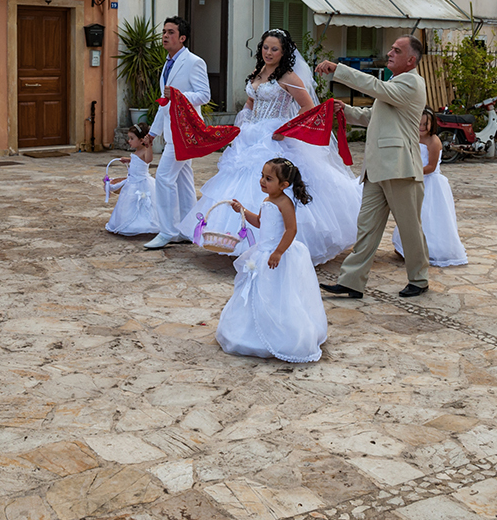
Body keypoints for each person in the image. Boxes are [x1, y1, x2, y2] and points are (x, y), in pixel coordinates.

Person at [177, 28, 362, 264]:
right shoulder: (257, 72)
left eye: (274, 49)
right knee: (239, 179)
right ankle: (236, 239)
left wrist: (286, 128)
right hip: (251, 133)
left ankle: (280, 242)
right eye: (265, 47)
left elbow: (307, 106)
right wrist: (244, 118)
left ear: (283, 52)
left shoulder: (288, 78)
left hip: (276, 136)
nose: (269, 52)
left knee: (275, 181)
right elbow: (251, 101)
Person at [316, 35, 430, 299]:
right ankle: (352, 281)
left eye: (396, 50)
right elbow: (373, 117)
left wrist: (339, 70)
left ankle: (419, 278)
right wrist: (345, 110)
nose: (389, 53)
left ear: (410, 60)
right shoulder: (395, 83)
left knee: (409, 226)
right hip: (378, 168)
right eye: (391, 48)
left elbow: (375, 88)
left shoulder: (412, 82)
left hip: (400, 167)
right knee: (366, 226)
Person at [217, 158, 327, 362]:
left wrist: (278, 252)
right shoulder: (267, 200)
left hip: (277, 255)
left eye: (268, 178)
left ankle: (283, 332)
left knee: (279, 293)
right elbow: (260, 222)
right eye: (262, 176)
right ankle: (253, 330)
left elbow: (291, 229)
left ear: (284, 185)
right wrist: (242, 210)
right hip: (262, 253)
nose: (262, 181)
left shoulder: (285, 203)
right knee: (257, 292)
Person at [144, 17, 211, 250]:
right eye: (164, 31)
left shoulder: (194, 62)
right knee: (184, 180)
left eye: (170, 32)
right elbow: (165, 102)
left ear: (182, 37)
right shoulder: (168, 63)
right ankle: (187, 228)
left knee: (163, 178)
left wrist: (179, 95)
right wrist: (153, 133)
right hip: (172, 131)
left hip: (185, 132)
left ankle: (167, 230)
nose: (164, 36)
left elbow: (204, 95)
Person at [393, 108, 467, 267]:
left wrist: (410, 171)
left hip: (430, 182)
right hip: (414, 180)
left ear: (431, 124)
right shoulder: (412, 138)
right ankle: (405, 247)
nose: (421, 127)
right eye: (419, 123)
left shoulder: (434, 141)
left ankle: (433, 249)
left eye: (425, 124)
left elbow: (431, 166)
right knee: (412, 215)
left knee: (429, 217)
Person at [105, 123, 159, 236]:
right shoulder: (137, 152)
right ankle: (126, 220)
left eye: (132, 138)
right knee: (129, 204)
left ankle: (142, 223)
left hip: (142, 183)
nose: (129, 141)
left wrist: (149, 145)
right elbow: (138, 161)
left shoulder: (145, 150)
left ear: (141, 140)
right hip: (132, 182)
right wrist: (129, 160)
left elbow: (148, 160)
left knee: (143, 203)